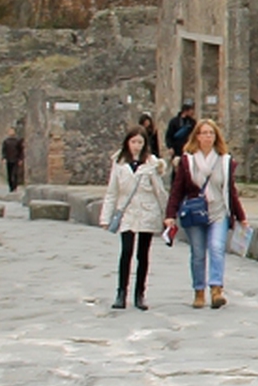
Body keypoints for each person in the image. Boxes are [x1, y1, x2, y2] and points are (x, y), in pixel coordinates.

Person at [165, 119, 247, 309]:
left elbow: (231, 191)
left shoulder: (225, 161)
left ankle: (216, 289)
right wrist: (170, 214)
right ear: (197, 137)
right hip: (195, 212)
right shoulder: (188, 161)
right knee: (198, 253)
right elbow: (177, 190)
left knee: (217, 247)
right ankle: (199, 290)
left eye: (211, 133)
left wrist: (241, 217)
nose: (208, 136)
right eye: (204, 133)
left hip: (218, 211)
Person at [100, 127, 169, 311]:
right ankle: (121, 292)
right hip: (127, 211)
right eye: (133, 142)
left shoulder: (152, 163)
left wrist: (167, 215)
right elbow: (112, 191)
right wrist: (106, 217)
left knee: (143, 254)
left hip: (147, 210)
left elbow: (159, 191)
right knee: (126, 251)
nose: (136, 146)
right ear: (127, 143)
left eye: (140, 142)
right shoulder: (119, 163)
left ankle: (140, 294)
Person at [1, 128, 25, 192]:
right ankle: (11, 186)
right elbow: (4, 150)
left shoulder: (17, 141)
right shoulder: (6, 141)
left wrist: (20, 159)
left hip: (15, 159)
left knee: (15, 173)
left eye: (12, 131)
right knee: (9, 173)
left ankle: (14, 186)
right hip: (9, 159)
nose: (11, 132)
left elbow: (21, 150)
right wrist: (4, 158)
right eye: (10, 131)